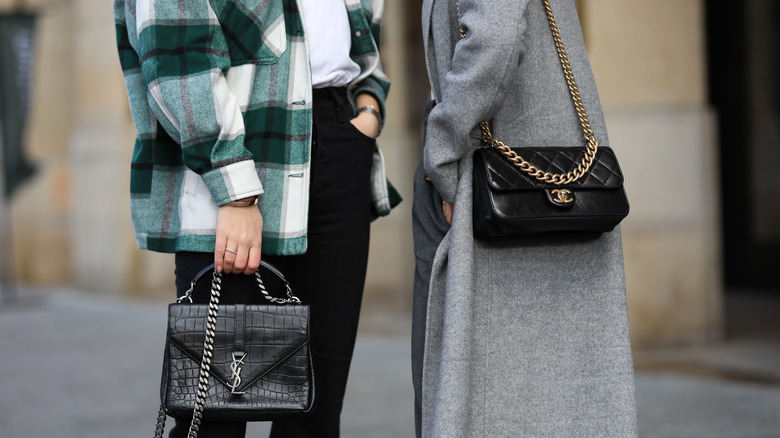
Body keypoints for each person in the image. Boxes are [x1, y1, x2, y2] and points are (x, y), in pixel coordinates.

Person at [114, 0, 398, 437]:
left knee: (317, 414)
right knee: (215, 418)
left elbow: (362, 22)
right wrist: (235, 190)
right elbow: (176, 52)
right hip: (242, 145)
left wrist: (369, 106)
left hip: (339, 133)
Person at [412, 0, 638, 436]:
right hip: (531, 156)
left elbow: (494, 35)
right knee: (549, 393)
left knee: (485, 394)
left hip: (487, 168)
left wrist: (441, 150)